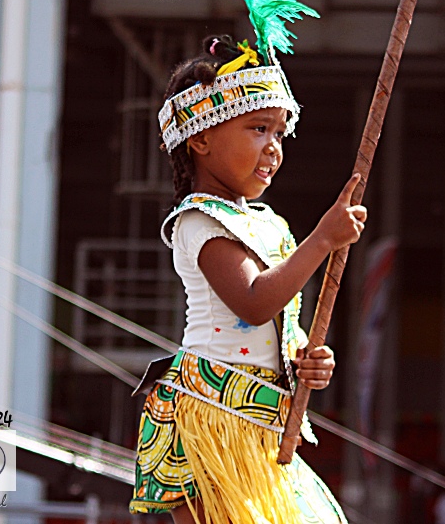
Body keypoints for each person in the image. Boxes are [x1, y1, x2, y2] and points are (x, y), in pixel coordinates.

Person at [128, 35, 367, 524]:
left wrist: (307, 357)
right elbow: (255, 303)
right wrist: (322, 241)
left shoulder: (269, 223)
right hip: (209, 418)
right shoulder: (197, 220)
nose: (273, 148)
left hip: (261, 421)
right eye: (259, 128)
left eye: (280, 133)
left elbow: (278, 321)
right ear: (200, 139)